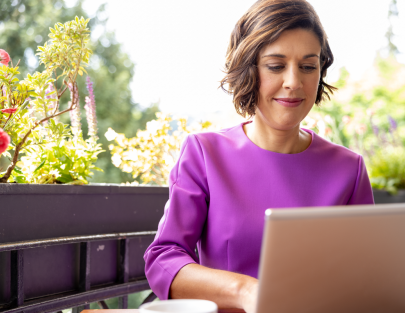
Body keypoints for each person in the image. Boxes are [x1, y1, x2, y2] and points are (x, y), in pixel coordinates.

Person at [144, 1, 374, 312]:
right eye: (276, 65)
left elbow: (366, 276)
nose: (294, 82)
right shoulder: (205, 153)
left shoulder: (349, 169)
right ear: (249, 69)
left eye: (308, 66)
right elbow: (163, 260)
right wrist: (247, 292)